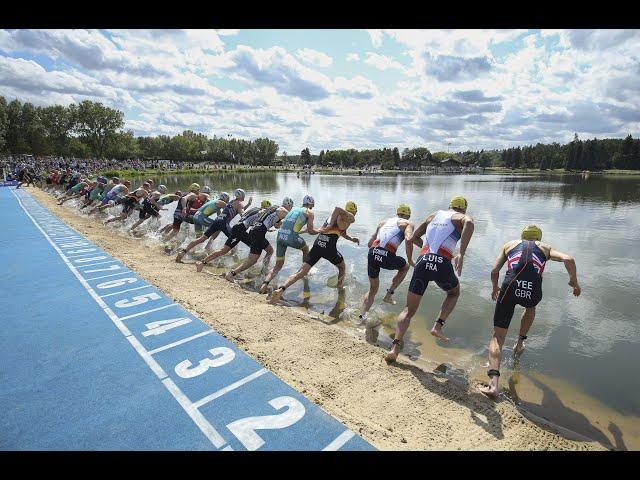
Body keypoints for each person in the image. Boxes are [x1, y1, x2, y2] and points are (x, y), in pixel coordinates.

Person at [479, 225, 581, 398]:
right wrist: (574, 281)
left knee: (498, 337)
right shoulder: (545, 248)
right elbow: (568, 259)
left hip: (510, 287)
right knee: (530, 307)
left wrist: (495, 287)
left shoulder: (509, 245)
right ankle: (520, 342)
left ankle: (493, 385)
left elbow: (494, 271)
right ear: (538, 238)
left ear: (522, 236)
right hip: (532, 290)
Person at [384, 196, 475, 364]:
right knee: (454, 293)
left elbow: (411, 238)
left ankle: (394, 348)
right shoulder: (459, 217)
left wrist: (424, 250)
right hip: (442, 263)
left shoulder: (433, 216)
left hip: (423, 261)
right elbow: (469, 222)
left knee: (408, 311)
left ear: (449, 206)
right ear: (463, 209)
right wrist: (461, 252)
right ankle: (438, 326)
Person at [268, 201, 359, 305]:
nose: (354, 215)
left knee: (301, 273)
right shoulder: (349, 216)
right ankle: (340, 293)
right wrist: (329, 225)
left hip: (317, 245)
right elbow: (338, 208)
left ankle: (281, 289)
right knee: (342, 267)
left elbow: (342, 231)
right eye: (354, 212)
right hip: (329, 248)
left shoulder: (339, 217)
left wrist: (352, 239)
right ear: (352, 211)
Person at [358, 204, 416, 323]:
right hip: (386, 256)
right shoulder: (407, 223)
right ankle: (389, 295)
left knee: (372, 290)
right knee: (405, 267)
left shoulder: (383, 222)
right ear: (408, 215)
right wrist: (410, 258)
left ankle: (361, 318)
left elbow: (370, 243)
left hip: (372, 253)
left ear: (397, 213)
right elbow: (409, 239)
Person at [259, 195, 319, 294]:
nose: (312, 208)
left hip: (280, 236)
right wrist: (321, 230)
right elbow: (311, 231)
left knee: (278, 265)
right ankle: (304, 272)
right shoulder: (309, 212)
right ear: (311, 204)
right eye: (312, 206)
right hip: (291, 237)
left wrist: (300, 232)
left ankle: (264, 285)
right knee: (305, 249)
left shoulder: (294, 209)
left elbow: (285, 225)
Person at [222, 197, 292, 282]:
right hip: (258, 233)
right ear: (288, 206)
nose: (290, 209)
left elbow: (276, 224)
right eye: (291, 207)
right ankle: (232, 274)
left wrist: (279, 224)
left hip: (256, 231)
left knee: (270, 250)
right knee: (253, 260)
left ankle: (263, 270)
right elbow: (291, 220)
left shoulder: (274, 208)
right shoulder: (284, 210)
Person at [175, 188, 251, 263]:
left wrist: (248, 204)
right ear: (242, 196)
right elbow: (242, 214)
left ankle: (183, 252)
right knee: (234, 239)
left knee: (201, 239)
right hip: (223, 223)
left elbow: (236, 210)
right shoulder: (239, 204)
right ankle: (233, 258)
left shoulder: (232, 202)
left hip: (217, 221)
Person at [195, 199, 272, 272]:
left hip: (240, 229)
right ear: (266, 208)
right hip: (239, 231)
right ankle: (202, 263)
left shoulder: (254, 209)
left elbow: (250, 220)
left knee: (254, 248)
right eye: (268, 209)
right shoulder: (262, 211)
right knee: (224, 250)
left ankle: (253, 268)